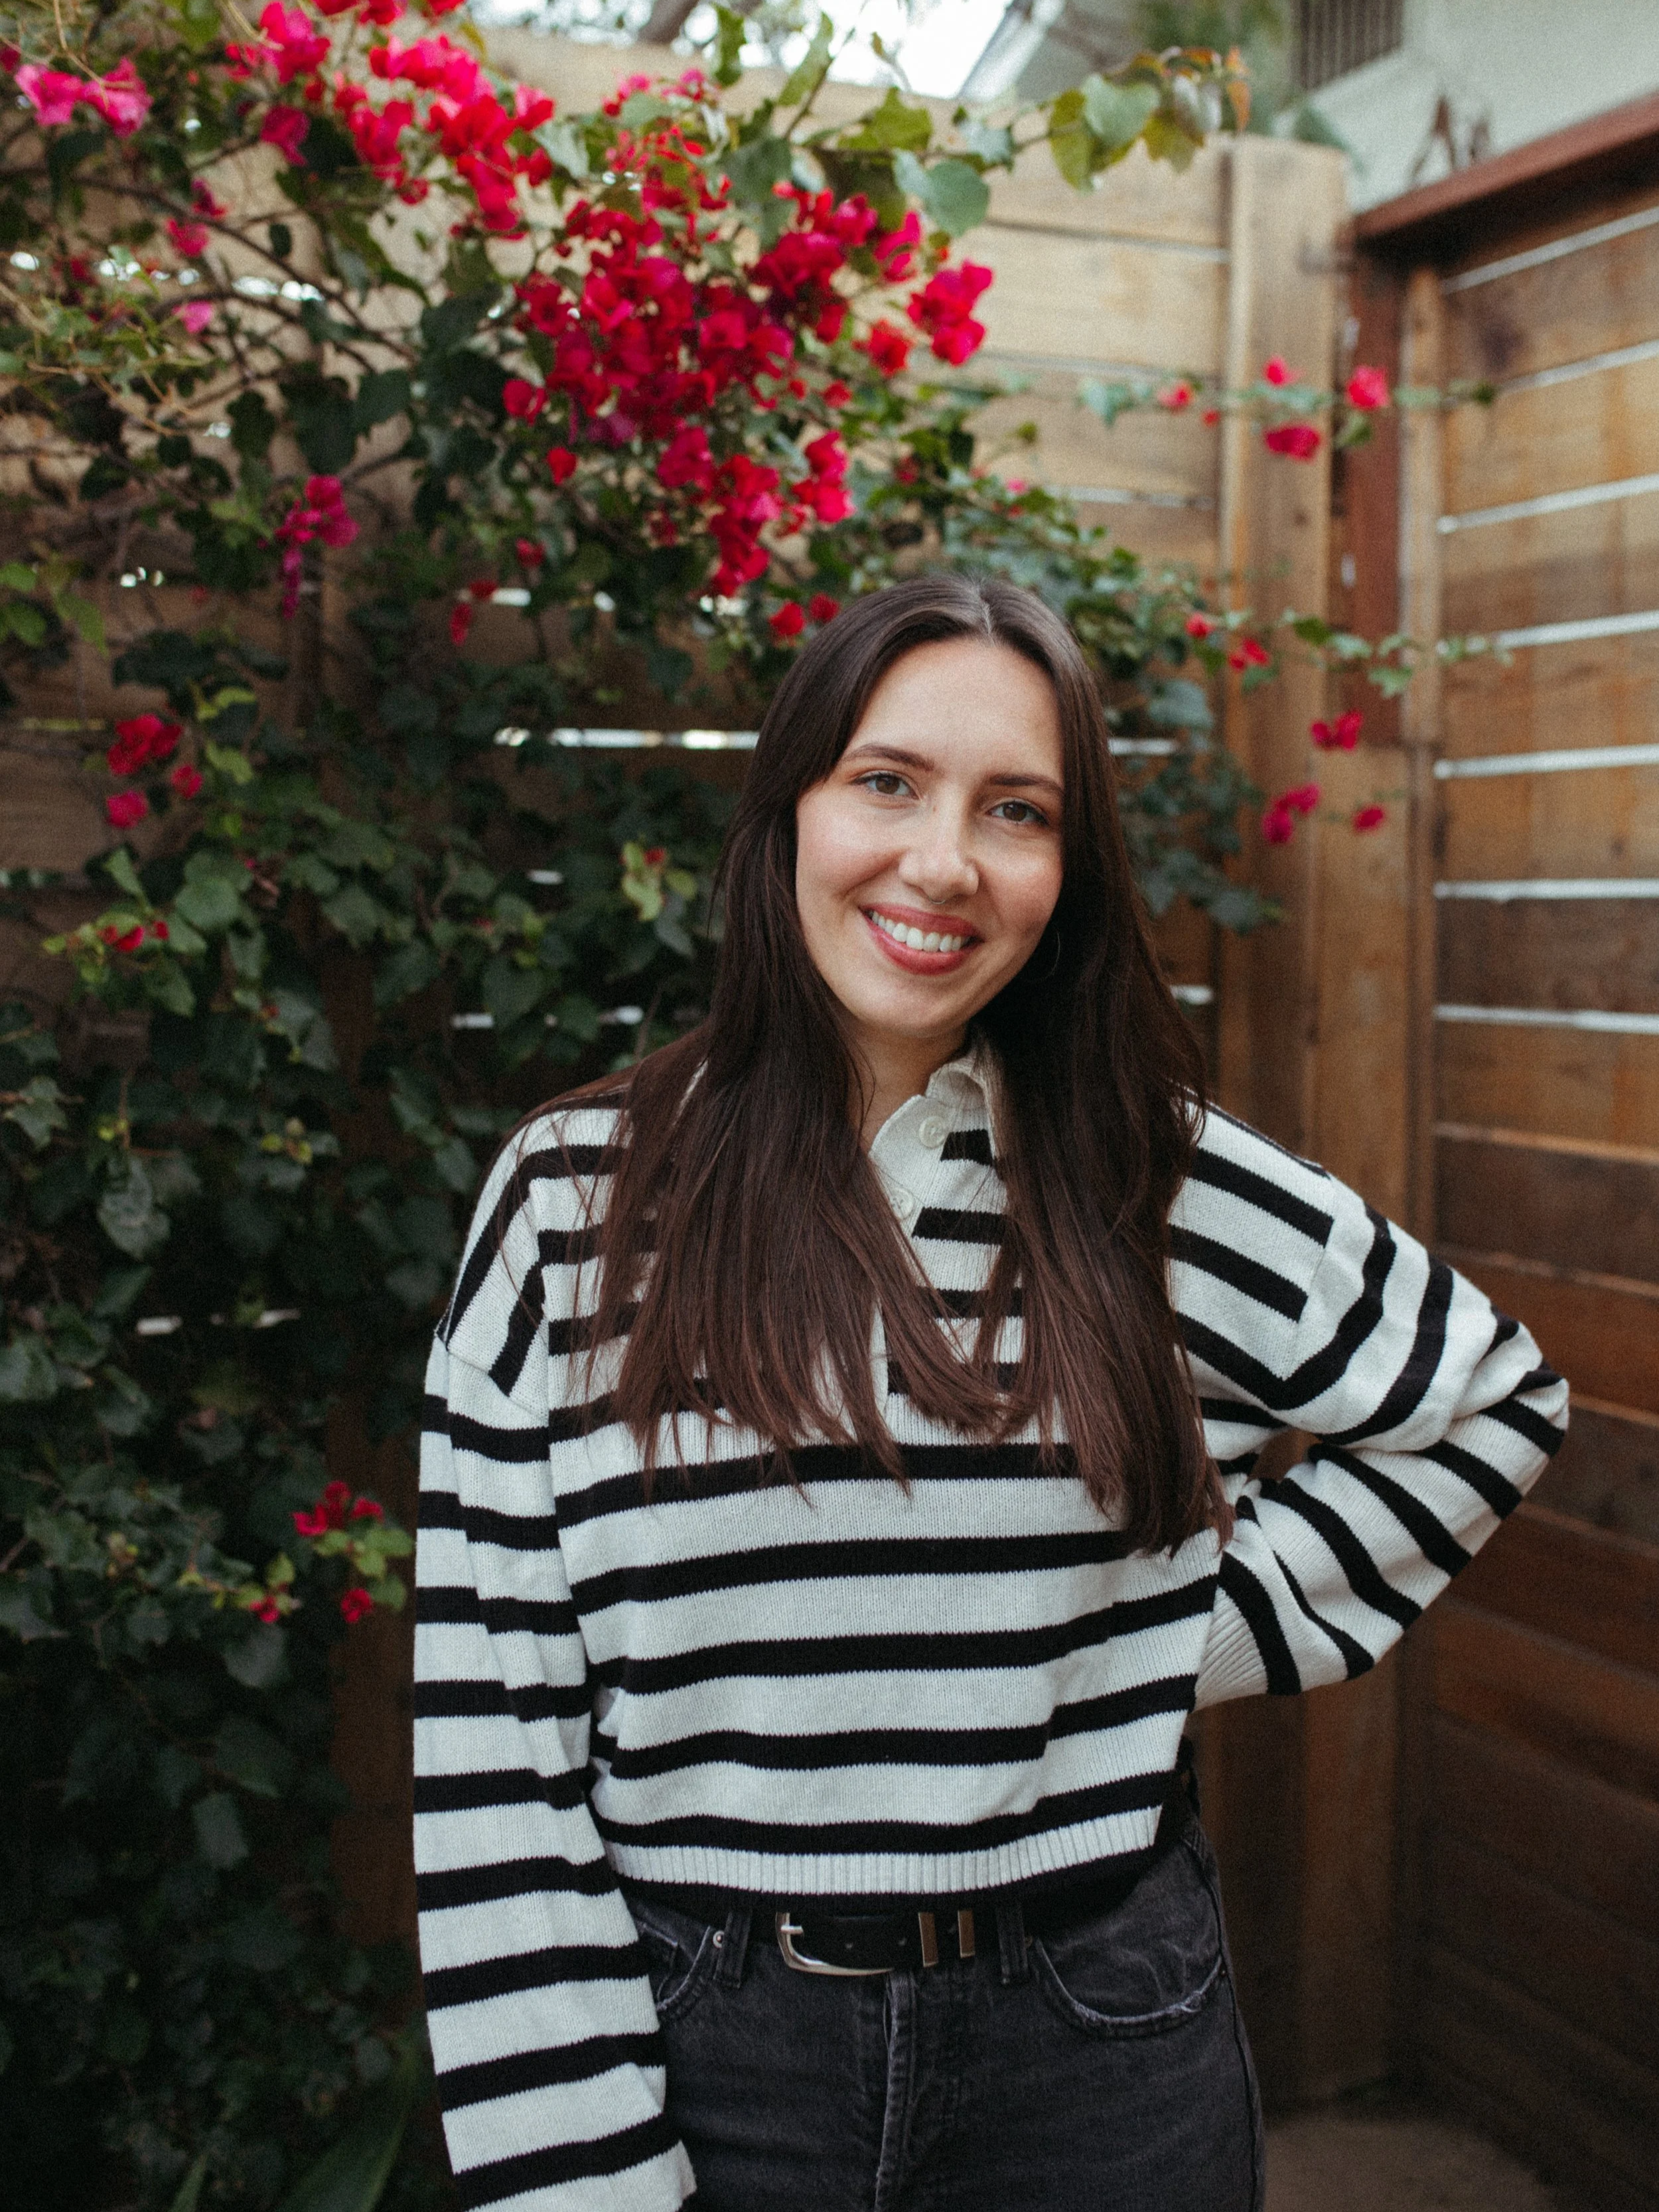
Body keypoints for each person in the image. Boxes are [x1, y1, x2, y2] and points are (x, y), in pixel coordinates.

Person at [413, 573, 1567, 2212]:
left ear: (1063, 872)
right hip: (703, 2049)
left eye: (1012, 811)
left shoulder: (1147, 1183)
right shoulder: (572, 1198)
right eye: (885, 781)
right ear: (786, 813)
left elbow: (1489, 1401)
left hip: (1099, 2040)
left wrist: (1163, 1638)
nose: (942, 861)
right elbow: (497, 1757)